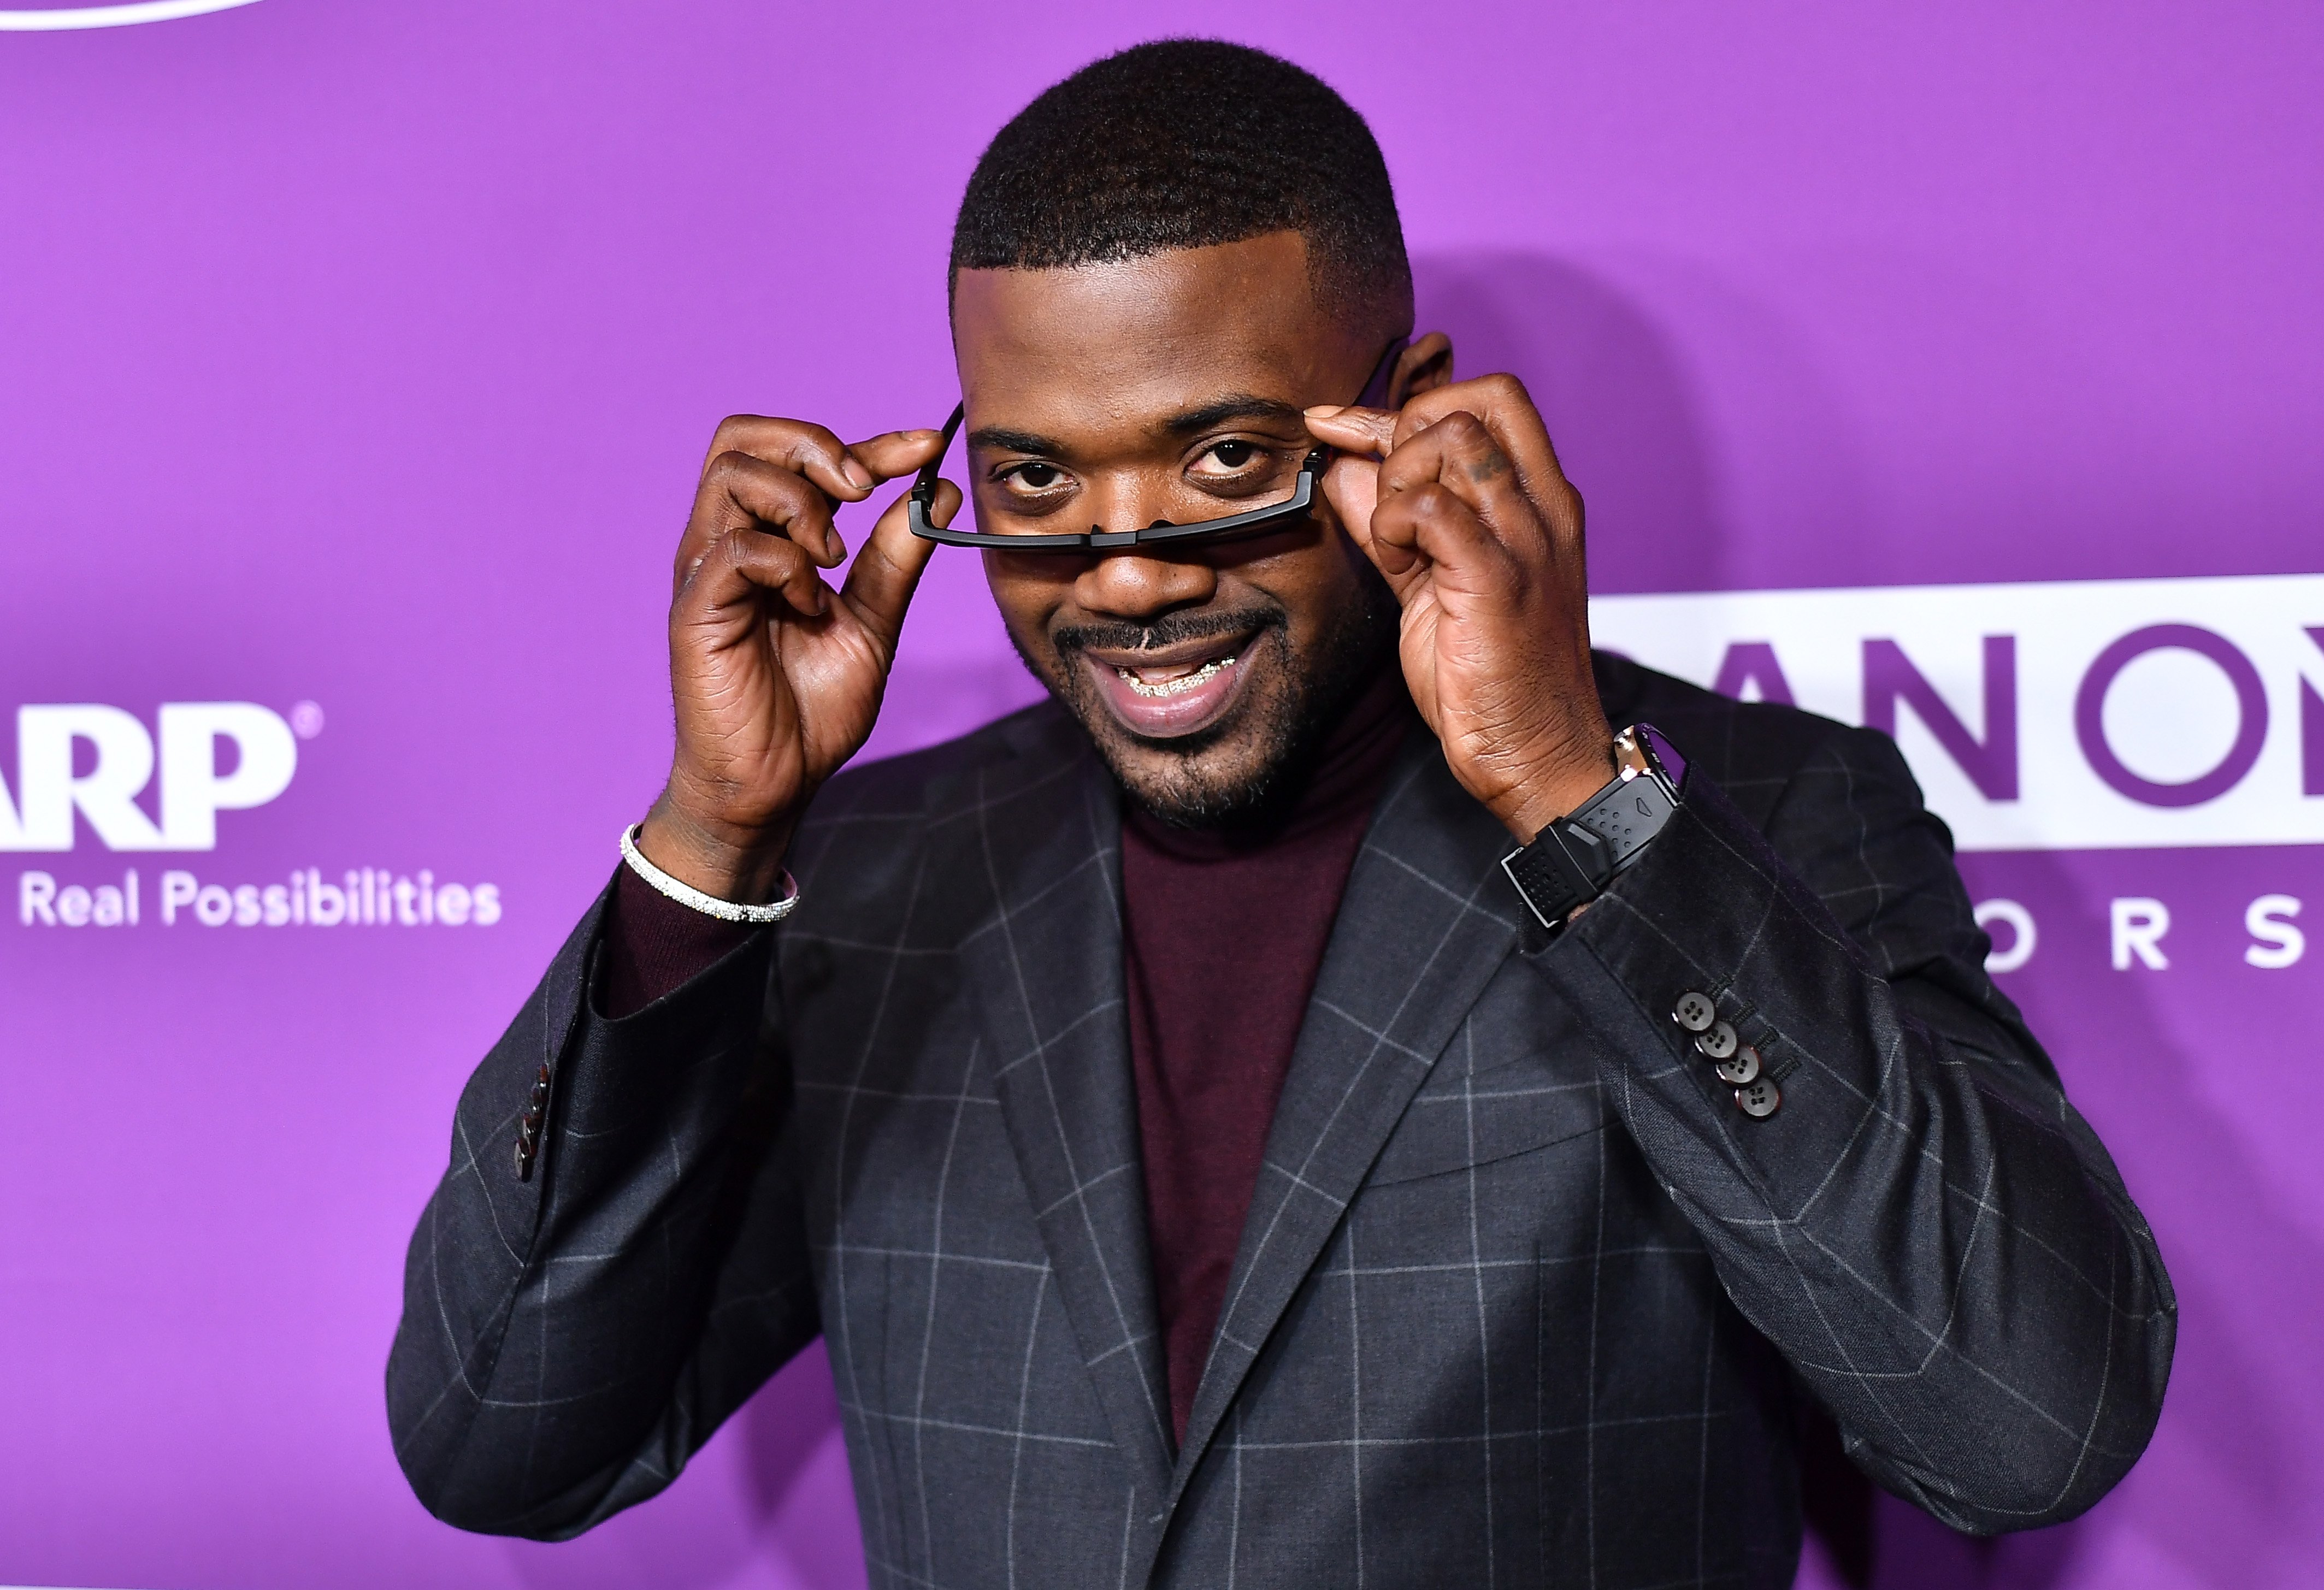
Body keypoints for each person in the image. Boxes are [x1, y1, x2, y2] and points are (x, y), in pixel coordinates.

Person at [387, 38, 2173, 1589]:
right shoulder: (872, 878)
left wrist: (1565, 789)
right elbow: (500, 1439)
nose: (1132, 570)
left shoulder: (1748, 813)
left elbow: (2025, 1424)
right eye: (1035, 477)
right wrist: (710, 848)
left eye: (1228, 460)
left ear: (1408, 415)